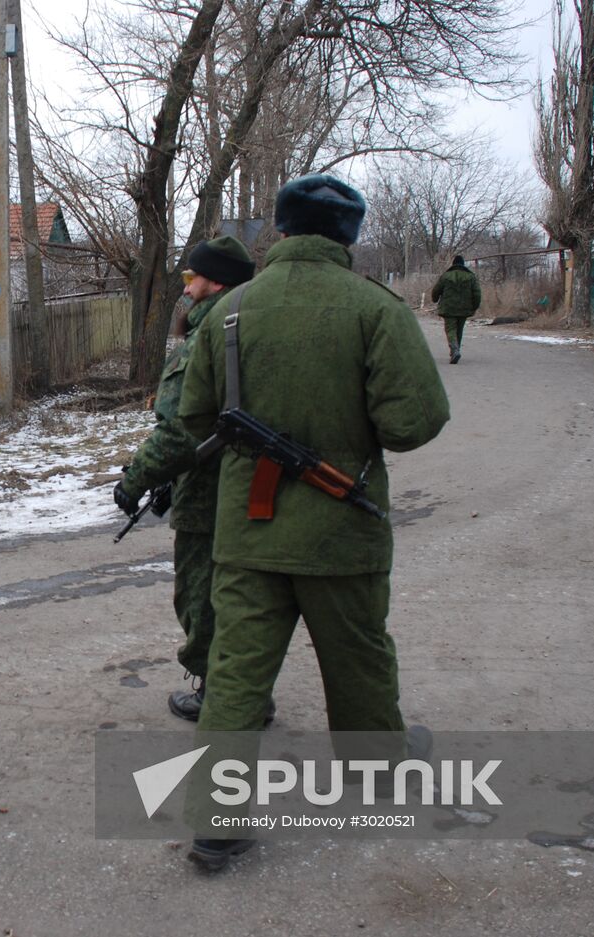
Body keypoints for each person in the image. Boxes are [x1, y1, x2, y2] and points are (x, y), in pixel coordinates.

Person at [177, 174, 450, 871]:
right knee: (358, 655)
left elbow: (195, 415)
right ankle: (377, 767)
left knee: (235, 673)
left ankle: (215, 821)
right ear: (348, 236)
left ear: (282, 229)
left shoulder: (230, 310)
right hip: (342, 528)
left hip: (247, 530)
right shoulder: (375, 308)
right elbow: (412, 422)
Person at [113, 236, 274, 725]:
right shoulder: (255, 322)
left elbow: (181, 427)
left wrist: (136, 479)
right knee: (246, 595)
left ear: (216, 281)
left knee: (203, 594)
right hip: (255, 483)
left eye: (191, 277)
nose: (185, 287)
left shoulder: (212, 333)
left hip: (210, 491)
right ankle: (250, 691)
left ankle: (218, 693)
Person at [431, 254, 482, 363]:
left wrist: (434, 299)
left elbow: (436, 290)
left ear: (453, 264)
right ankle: (456, 350)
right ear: (463, 264)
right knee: (459, 329)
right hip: (464, 308)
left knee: (450, 329)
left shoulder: (446, 276)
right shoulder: (471, 277)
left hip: (448, 308)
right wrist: (475, 306)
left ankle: (454, 350)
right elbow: (477, 293)